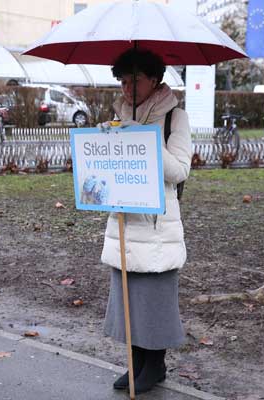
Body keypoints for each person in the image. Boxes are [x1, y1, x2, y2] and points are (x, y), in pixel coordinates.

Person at [100, 48, 192, 394]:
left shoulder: (174, 117)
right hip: (124, 220)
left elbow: (180, 170)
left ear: (154, 79)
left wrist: (143, 138)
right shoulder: (118, 115)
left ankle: (155, 366)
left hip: (156, 225)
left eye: (134, 79)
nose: (127, 88)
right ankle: (137, 363)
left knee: (154, 301)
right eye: (123, 81)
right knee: (129, 299)